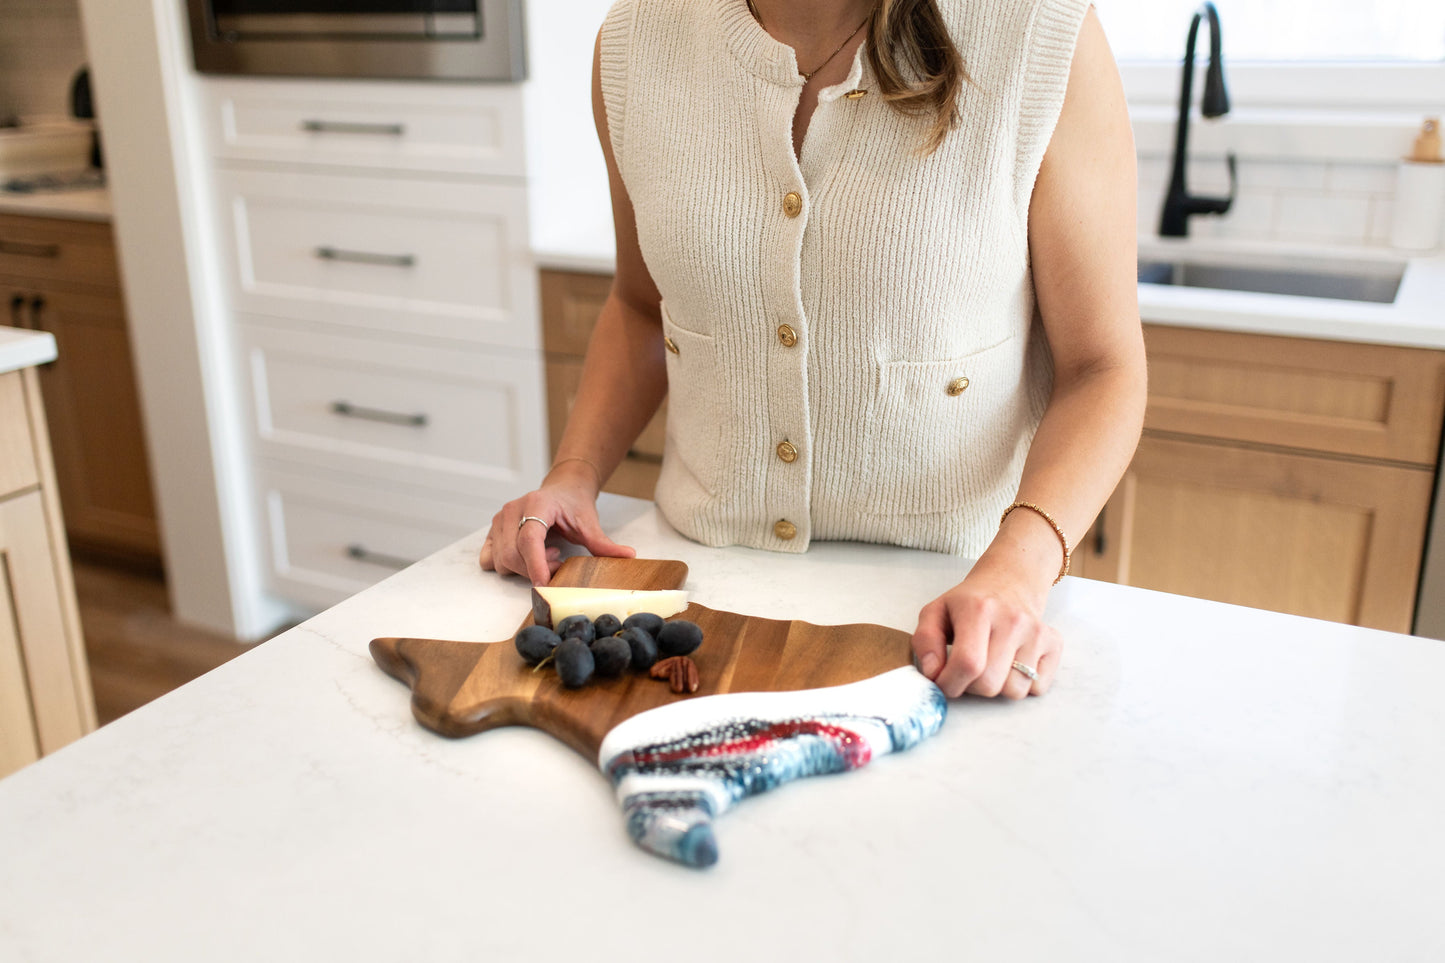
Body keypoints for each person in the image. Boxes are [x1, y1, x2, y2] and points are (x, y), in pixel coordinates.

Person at [480, 0, 1146, 702]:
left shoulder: (1038, 32)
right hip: (702, 605)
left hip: (963, 617)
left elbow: (1101, 369)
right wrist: (573, 473)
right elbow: (642, 306)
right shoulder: (633, 43)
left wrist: (1017, 567)